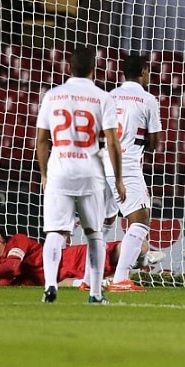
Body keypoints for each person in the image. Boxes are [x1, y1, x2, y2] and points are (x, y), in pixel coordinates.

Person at [36, 45, 126, 305]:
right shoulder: (103, 97)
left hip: (60, 171)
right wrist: (118, 179)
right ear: (93, 69)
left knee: (55, 231)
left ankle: (51, 285)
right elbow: (112, 142)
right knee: (94, 233)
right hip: (90, 173)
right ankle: (95, 293)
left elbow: (42, 141)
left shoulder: (52, 96)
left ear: (68, 68)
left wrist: (44, 173)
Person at [94, 54, 163, 292]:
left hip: (100, 163)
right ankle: (121, 278)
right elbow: (154, 143)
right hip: (126, 165)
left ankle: (87, 279)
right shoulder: (148, 99)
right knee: (141, 220)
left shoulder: (109, 96)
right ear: (144, 71)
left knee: (104, 222)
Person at [0, 223, 164, 286]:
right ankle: (133, 263)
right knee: (67, 286)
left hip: (69, 258)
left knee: (141, 245)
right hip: (61, 280)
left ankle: (140, 259)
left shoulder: (17, 241)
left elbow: (13, 266)